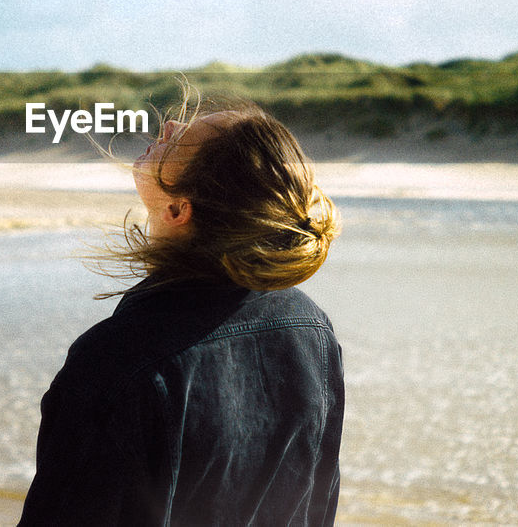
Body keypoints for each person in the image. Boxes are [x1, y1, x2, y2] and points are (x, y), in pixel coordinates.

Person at [18, 98, 344, 526]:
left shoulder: (115, 360)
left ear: (177, 210)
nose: (170, 124)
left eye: (183, 140)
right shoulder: (313, 331)